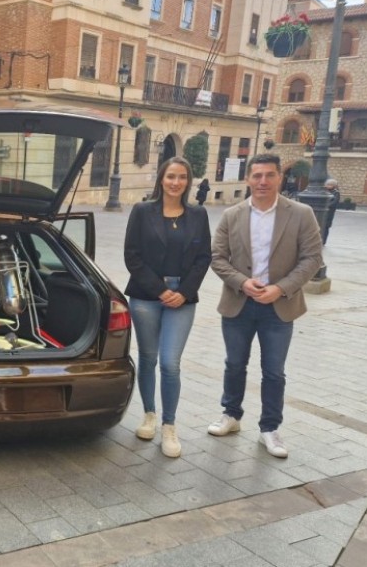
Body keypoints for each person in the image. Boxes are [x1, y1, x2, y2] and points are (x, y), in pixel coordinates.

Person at [207, 154, 323, 458]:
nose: (262, 182)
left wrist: (280, 288)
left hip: (279, 306)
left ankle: (269, 429)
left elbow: (312, 258)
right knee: (234, 364)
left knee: (273, 371)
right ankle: (231, 415)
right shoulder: (232, 215)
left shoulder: (301, 213)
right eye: (257, 176)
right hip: (238, 304)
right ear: (248, 179)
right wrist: (242, 282)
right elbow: (217, 258)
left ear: (279, 179)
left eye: (269, 175)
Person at [124, 157, 212, 458]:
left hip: (182, 299)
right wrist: (160, 290)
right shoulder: (142, 211)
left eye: (182, 177)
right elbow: (132, 256)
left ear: (189, 181)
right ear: (161, 179)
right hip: (147, 296)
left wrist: (183, 292)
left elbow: (204, 258)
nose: (176, 182)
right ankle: (149, 414)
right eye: (171, 176)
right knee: (148, 358)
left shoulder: (198, 214)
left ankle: (169, 426)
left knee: (170, 363)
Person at [322, 178, 341, 245]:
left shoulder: (336, 193)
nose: (328, 186)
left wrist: (325, 206)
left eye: (330, 185)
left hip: (329, 212)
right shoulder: (324, 191)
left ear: (334, 185)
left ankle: (323, 241)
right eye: (327, 184)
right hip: (323, 211)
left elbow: (334, 202)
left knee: (326, 227)